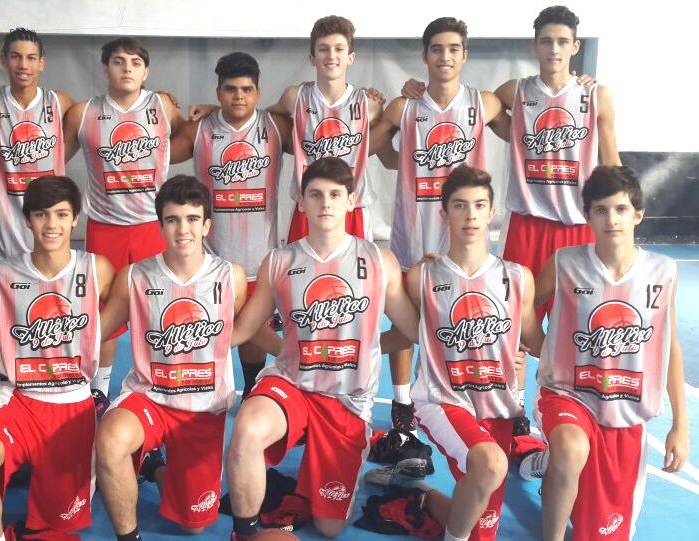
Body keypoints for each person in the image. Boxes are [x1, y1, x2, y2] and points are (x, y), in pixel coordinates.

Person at [225, 157, 420, 539]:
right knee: (247, 429)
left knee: (330, 527)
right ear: (301, 202)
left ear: (351, 200)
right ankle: (245, 534)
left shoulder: (379, 261)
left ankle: (393, 472)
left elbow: (413, 331)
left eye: (334, 194)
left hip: (349, 400)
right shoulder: (280, 261)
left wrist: (371, 347)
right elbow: (245, 329)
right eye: (315, 195)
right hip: (293, 384)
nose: (325, 203)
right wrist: (192, 338)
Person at [364, 166, 544, 541]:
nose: (470, 215)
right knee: (490, 464)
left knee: (481, 528)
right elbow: (407, 334)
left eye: (479, 205)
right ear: (444, 214)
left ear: (491, 212)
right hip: (443, 399)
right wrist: (351, 349)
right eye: (460, 205)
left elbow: (536, 341)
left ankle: (422, 496)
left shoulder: (518, 277)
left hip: (498, 406)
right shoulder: (423, 277)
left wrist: (584, 356)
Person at [93, 175, 258, 540]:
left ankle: (154, 468)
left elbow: (244, 329)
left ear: (207, 225)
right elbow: (96, 333)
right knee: (111, 441)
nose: (183, 229)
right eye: (172, 220)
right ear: (160, 225)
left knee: (193, 526)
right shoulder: (135, 276)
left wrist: (290, 353)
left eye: (192, 219)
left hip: (203, 407)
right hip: (149, 397)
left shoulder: (231, 277)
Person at [533, 166, 687, 540]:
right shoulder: (565, 262)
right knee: (570, 448)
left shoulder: (663, 272)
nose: (611, 220)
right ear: (587, 217)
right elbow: (522, 308)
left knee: (600, 532)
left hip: (624, 405)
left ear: (638, 215)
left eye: (620, 209)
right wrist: (544, 349)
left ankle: (548, 466)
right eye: (600, 210)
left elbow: (669, 347)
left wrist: (680, 425)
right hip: (568, 394)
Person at [372, 17, 506, 433]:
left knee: (465, 320)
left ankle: (470, 397)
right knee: (404, 322)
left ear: (465, 55)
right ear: (425, 55)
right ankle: (402, 402)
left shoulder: (484, 103)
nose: (445, 57)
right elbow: (373, 146)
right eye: (437, 49)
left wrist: (580, 83)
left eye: (453, 49)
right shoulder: (405, 107)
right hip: (414, 232)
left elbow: (526, 117)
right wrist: (400, 161)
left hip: (464, 236)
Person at [0, 175, 114, 540]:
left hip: (73, 403)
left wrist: (89, 338)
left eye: (61, 214)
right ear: (28, 220)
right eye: (41, 214)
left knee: (54, 529)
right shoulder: (3, 272)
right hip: (19, 398)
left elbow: (127, 313)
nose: (51, 224)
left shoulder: (98, 269)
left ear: (75, 219)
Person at [64, 36, 186, 402]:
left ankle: (163, 382)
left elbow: (191, 134)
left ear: (146, 71)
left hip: (152, 225)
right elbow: (52, 159)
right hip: (105, 227)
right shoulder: (83, 113)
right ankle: (99, 390)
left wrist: (207, 109)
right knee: (104, 312)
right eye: (118, 61)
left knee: (161, 308)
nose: (127, 69)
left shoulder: (163, 106)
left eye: (135, 63)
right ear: (105, 68)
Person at [169, 51, 291, 395]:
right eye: (230, 89)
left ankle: (252, 387)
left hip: (261, 258)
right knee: (202, 329)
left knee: (253, 332)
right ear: (218, 92)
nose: (239, 96)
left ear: (258, 92)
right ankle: (197, 390)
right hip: (210, 257)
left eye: (247, 89)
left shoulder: (276, 127)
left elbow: (321, 130)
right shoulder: (199, 130)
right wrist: (174, 110)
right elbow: (154, 150)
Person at [496, 5, 621, 319]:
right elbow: (485, 114)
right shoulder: (515, 91)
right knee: (516, 321)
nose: (554, 49)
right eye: (547, 41)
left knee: (578, 324)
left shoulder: (596, 96)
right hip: (526, 223)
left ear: (575, 47)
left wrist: (619, 218)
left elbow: (612, 165)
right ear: (535, 46)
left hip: (577, 224)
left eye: (563, 41)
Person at [268, 15, 384, 242]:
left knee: (355, 266)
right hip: (308, 204)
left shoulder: (369, 103)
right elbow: (263, 117)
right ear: (312, 58)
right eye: (323, 49)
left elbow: (386, 137)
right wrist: (216, 109)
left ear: (351, 57)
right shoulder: (295, 97)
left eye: (339, 49)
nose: (331, 55)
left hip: (352, 206)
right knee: (301, 265)